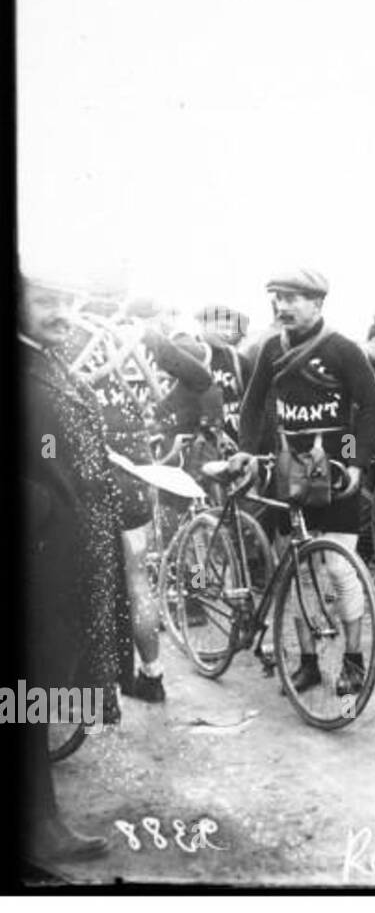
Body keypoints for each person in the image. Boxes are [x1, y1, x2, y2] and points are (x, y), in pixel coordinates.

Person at [231, 267, 375, 695]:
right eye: (277, 298)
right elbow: (251, 405)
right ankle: (308, 662)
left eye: (292, 298)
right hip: (289, 472)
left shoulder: (343, 350)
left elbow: (369, 410)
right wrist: (247, 447)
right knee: (297, 570)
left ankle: (353, 660)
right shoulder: (269, 349)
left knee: (338, 567)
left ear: (317, 304)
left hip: (336, 475)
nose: (282, 306)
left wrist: (355, 462)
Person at [21, 277, 135, 862]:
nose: (62, 313)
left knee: (39, 688)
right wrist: (42, 504)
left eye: (67, 302)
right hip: (42, 553)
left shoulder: (47, 361)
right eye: (46, 302)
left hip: (69, 550)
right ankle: (38, 822)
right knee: (26, 691)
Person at [67, 295, 215, 704]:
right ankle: (152, 675)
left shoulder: (67, 332)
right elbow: (201, 379)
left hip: (80, 470)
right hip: (134, 470)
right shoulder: (143, 335)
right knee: (136, 581)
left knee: (81, 577)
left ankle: (93, 692)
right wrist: (155, 411)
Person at [197, 304, 254, 445]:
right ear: (203, 326)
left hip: (236, 439)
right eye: (220, 327)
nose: (227, 333)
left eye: (229, 328)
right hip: (204, 442)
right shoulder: (192, 356)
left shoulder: (238, 360)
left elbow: (254, 404)